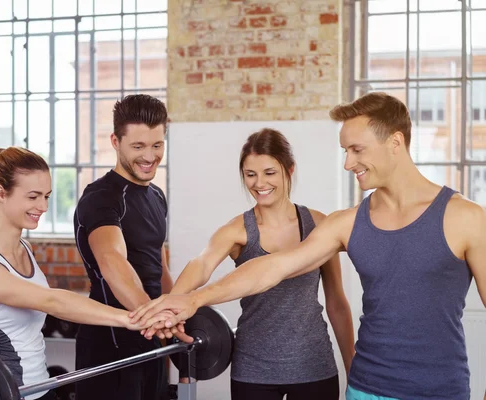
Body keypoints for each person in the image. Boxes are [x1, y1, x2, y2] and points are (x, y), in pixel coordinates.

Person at [131, 92, 486, 400]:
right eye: (345, 151)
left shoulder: (465, 219)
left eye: (357, 150)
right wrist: (190, 299)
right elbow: (273, 267)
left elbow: (335, 302)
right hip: (363, 387)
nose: (348, 163)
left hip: (437, 391)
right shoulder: (346, 223)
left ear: (395, 142)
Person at [161, 128, 354, 400]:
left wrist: (351, 366)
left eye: (269, 172)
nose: (259, 183)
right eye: (250, 175)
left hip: (313, 365)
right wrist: (170, 305)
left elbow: (336, 302)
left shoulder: (319, 225)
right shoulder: (238, 230)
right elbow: (202, 264)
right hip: (253, 369)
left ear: (289, 169)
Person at [0, 146, 157, 400]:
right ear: (0, 193)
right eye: (33, 197)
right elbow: (51, 300)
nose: (43, 206)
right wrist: (131, 318)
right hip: (3, 393)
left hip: (39, 388)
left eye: (47, 197)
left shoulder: (24, 249)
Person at [72, 94, 184, 400]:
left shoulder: (156, 196)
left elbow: (158, 268)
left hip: (150, 339)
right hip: (110, 344)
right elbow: (113, 263)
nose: (149, 156)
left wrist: (176, 314)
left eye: (157, 145)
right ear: (115, 141)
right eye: (138, 146)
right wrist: (156, 318)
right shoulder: (101, 198)